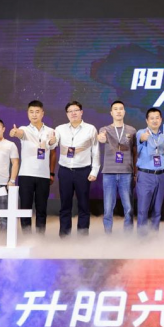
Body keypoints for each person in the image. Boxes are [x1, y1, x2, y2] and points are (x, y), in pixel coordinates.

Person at [9, 100, 57, 234]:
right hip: (26, 175)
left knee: (41, 208)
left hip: (43, 175)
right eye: (31, 112)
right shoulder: (24, 129)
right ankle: (26, 236)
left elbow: (52, 148)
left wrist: (52, 142)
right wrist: (14, 132)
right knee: (25, 208)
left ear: (42, 113)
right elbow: (19, 133)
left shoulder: (50, 131)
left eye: (37, 112)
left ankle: (40, 237)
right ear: (27, 114)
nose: (34, 115)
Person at [53, 101, 100, 237]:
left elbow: (95, 151)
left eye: (76, 110)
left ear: (81, 112)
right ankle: (64, 236)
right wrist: (50, 142)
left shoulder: (90, 129)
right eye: (70, 111)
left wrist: (94, 170)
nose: (73, 113)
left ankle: (82, 237)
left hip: (83, 171)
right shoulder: (60, 129)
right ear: (67, 114)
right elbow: (52, 145)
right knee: (65, 205)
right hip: (65, 170)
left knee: (83, 205)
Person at [97, 100, 137, 233]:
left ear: (124, 112)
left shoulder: (132, 130)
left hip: (126, 173)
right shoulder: (105, 129)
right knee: (108, 208)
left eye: (121, 109)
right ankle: (108, 235)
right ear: (111, 112)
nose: (118, 111)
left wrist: (135, 173)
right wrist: (101, 138)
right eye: (115, 109)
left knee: (129, 207)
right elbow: (101, 137)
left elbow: (135, 152)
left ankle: (128, 235)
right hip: (109, 173)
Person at [135, 107, 164, 235]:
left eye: (157, 118)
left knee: (157, 210)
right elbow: (139, 140)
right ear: (147, 120)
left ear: (161, 120)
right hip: (145, 175)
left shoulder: (163, 137)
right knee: (143, 210)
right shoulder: (141, 133)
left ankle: (154, 237)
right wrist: (143, 138)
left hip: (160, 176)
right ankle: (142, 238)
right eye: (152, 118)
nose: (155, 120)